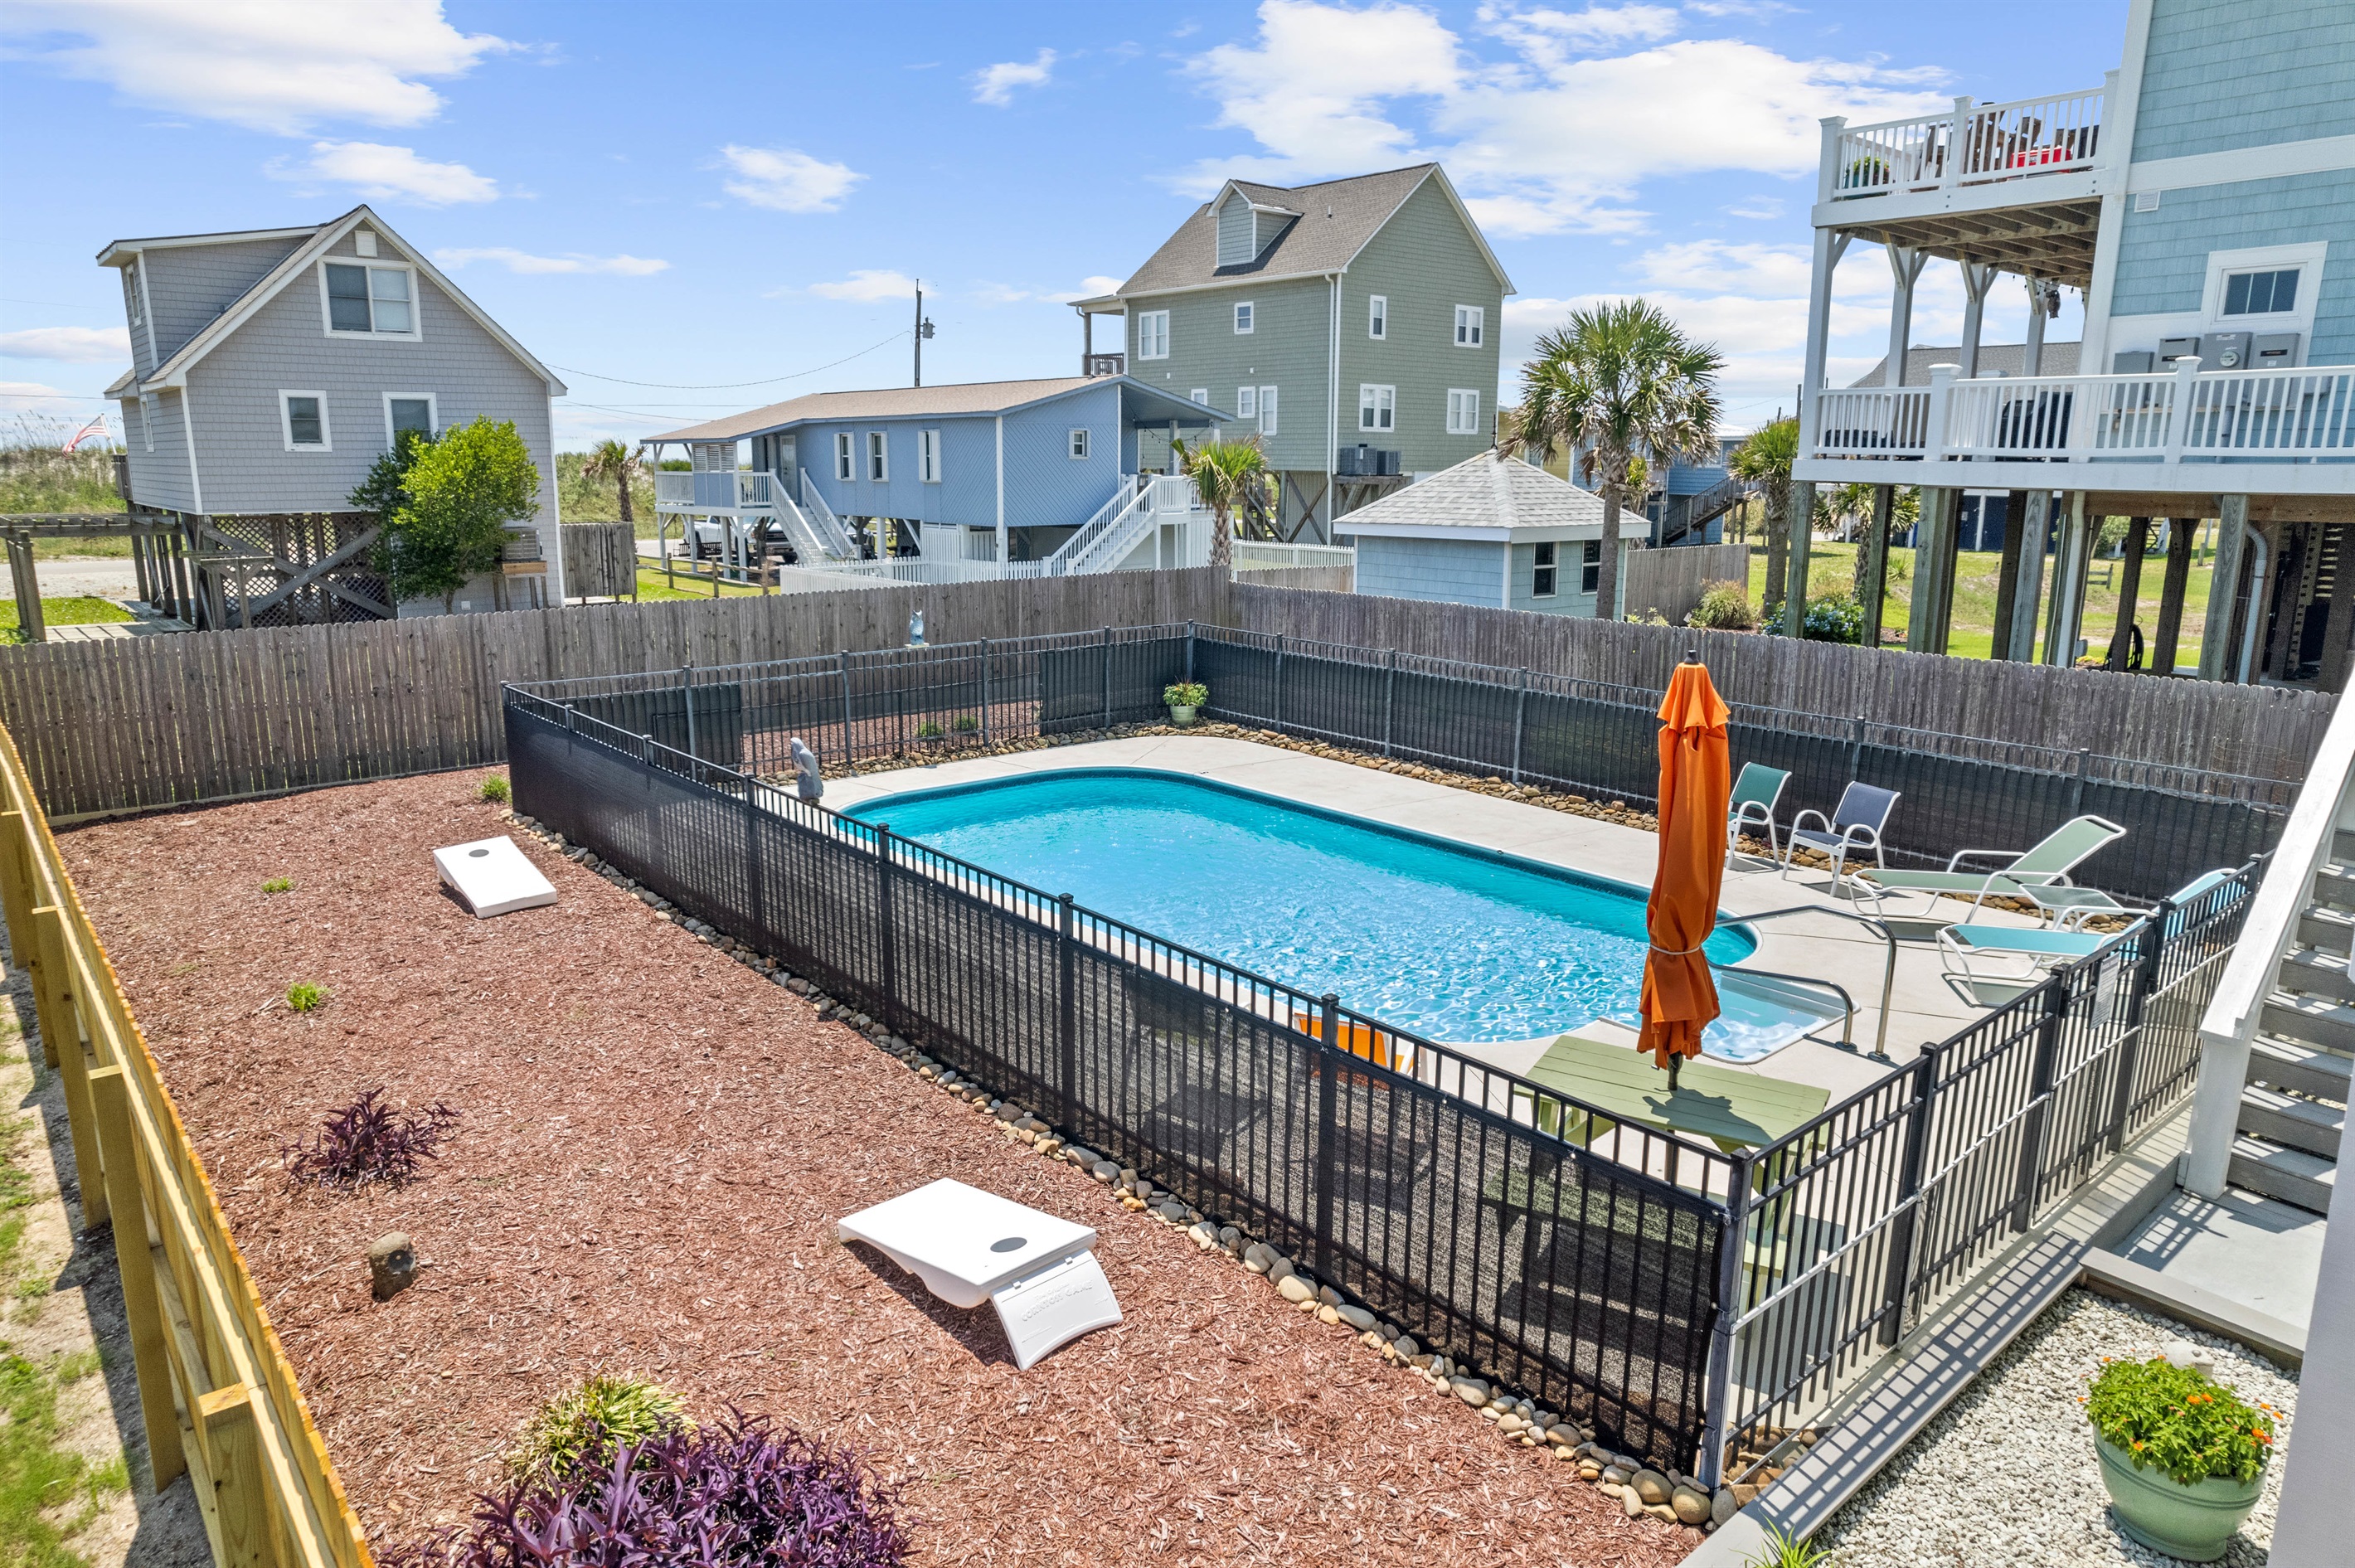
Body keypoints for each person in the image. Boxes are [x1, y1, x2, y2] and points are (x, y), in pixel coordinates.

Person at [789, 736, 823, 803]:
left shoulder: (803, 753)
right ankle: (805, 797)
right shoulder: (797, 752)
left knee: (811, 784)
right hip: (805, 772)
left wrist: (808, 772)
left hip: (809, 773)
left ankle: (814, 794)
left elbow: (809, 766)